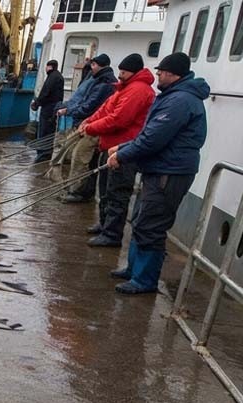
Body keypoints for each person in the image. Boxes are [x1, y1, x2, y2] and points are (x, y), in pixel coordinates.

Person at [107, 52, 210, 294]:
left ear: (173, 74)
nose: (158, 76)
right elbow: (148, 134)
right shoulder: (172, 96)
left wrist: (122, 155)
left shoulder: (180, 101)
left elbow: (154, 139)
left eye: (160, 72)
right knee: (141, 219)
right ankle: (134, 269)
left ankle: (145, 280)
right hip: (158, 169)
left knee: (152, 225)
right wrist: (122, 147)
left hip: (169, 172)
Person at [80, 53, 154, 248]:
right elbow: (106, 109)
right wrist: (89, 120)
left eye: (123, 72)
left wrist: (90, 128)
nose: (119, 75)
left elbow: (119, 119)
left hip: (124, 151)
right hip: (109, 147)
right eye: (119, 71)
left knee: (117, 192)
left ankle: (112, 234)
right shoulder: (124, 88)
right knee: (105, 190)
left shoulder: (138, 90)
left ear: (133, 72)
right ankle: (105, 225)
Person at [59, 54, 117, 202]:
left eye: (93, 65)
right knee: (86, 158)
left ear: (101, 66)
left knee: (80, 156)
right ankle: (81, 189)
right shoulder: (99, 80)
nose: (92, 68)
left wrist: (71, 111)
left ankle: (78, 191)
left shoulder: (104, 83)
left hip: (94, 128)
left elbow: (90, 105)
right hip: (90, 123)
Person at [30, 60, 64, 162]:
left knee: (44, 131)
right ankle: (47, 153)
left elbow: (45, 92)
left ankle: (42, 155)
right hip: (54, 107)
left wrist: (36, 103)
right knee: (51, 131)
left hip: (48, 108)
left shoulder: (52, 77)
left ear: (49, 67)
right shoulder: (59, 76)